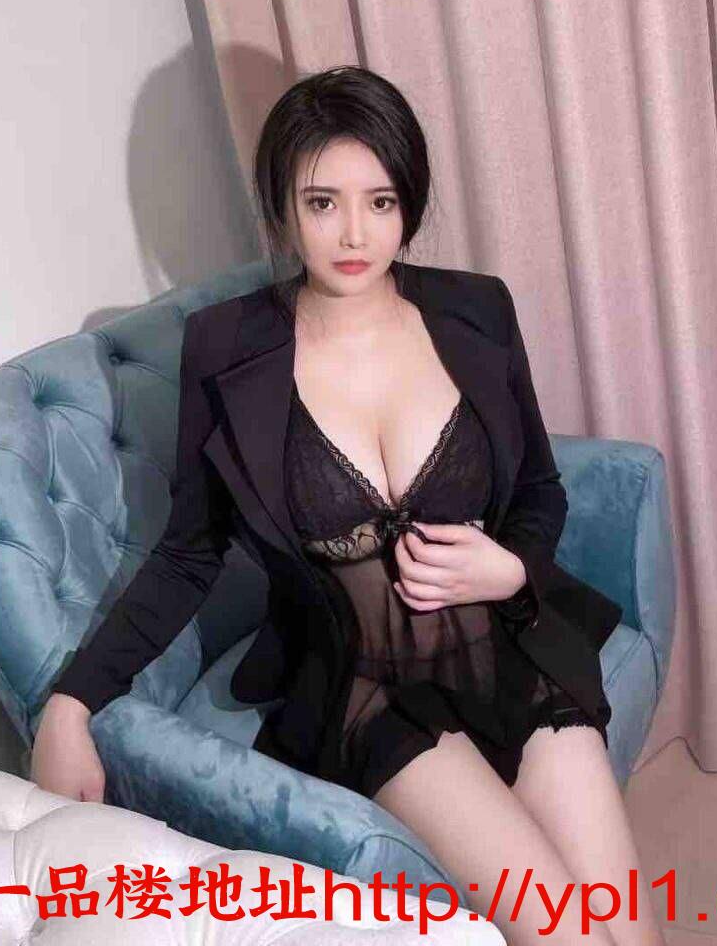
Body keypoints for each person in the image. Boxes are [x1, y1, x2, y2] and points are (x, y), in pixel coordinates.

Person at [32, 65, 664, 945]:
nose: (356, 233)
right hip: (370, 690)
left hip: (510, 644)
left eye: (381, 201)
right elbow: (190, 550)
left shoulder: (476, 310)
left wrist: (511, 566)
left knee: (630, 934)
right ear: (282, 208)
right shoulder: (226, 348)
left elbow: (538, 490)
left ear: (411, 201)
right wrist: (72, 701)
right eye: (323, 202)